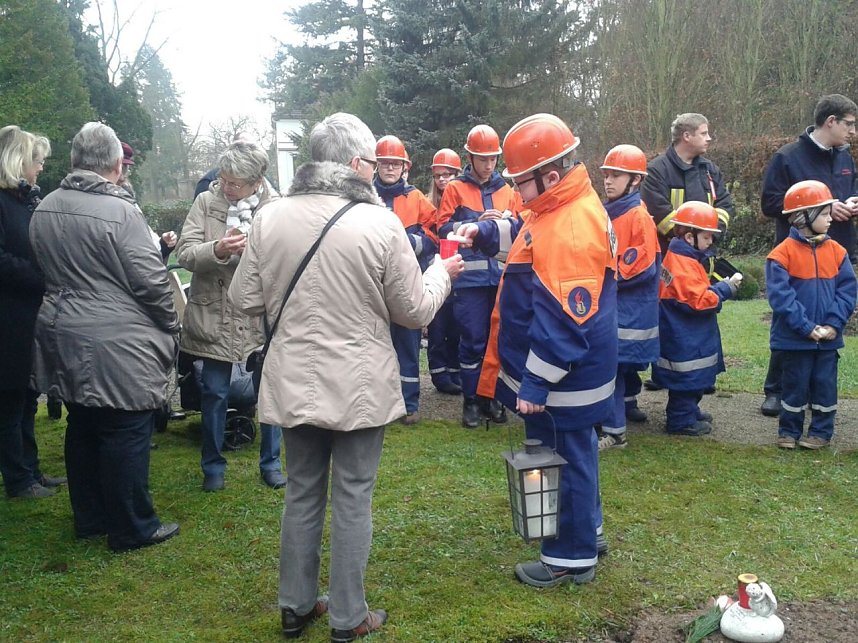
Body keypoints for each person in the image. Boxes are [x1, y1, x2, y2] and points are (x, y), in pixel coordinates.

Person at [228, 112, 463, 640]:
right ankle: (348, 615)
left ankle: (294, 604)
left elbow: (242, 298)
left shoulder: (269, 217)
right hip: (359, 384)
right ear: (357, 163)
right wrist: (441, 274)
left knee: (302, 491)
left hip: (293, 376)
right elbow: (416, 310)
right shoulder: (380, 223)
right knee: (353, 495)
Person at [460, 113, 617, 587]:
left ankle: (570, 558)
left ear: (548, 176)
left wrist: (536, 382)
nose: (515, 192)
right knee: (579, 453)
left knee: (562, 461)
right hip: (579, 374)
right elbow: (530, 232)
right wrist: (487, 234)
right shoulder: (559, 206)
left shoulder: (570, 225)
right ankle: (588, 531)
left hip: (565, 379)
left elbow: (564, 321)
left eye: (519, 182)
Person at [29, 122, 179, 551]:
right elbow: (151, 281)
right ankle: (133, 526)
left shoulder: (47, 205)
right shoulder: (120, 211)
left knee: (83, 423)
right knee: (126, 427)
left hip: (61, 328)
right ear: (116, 165)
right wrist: (169, 321)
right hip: (115, 339)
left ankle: (90, 518)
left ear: (76, 160)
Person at [176, 141, 286, 492]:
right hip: (215, 312)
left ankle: (271, 463)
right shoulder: (206, 203)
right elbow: (185, 253)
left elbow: (289, 255)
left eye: (234, 183)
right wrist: (217, 249)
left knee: (269, 392)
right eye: (223, 179)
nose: (226, 187)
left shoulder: (276, 207)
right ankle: (213, 468)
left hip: (260, 315)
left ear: (257, 181)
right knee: (214, 393)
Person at [759, 94, 858, 417]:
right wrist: (815, 209)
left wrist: (850, 206)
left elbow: (848, 191)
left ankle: (818, 392)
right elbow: (770, 204)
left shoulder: (845, 158)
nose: (852, 132)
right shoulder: (787, 157)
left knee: (831, 314)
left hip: (835, 251)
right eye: (849, 124)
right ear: (831, 121)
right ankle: (776, 390)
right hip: (796, 255)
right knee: (790, 317)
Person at [437, 124, 519, 428]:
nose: (488, 165)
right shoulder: (455, 188)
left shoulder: (507, 190)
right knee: (472, 340)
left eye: (492, 159)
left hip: (500, 278)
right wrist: (475, 222)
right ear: (470, 157)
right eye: (482, 159)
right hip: (470, 281)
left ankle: (492, 397)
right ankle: (472, 400)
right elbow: (442, 228)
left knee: (497, 341)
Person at [0, 125, 66, 499]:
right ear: (17, 161)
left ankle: (32, 470)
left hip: (25, 314)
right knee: (9, 401)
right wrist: (39, 277)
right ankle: (17, 479)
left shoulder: (23, 199)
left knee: (26, 396)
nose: (40, 168)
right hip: (7, 317)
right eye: (36, 161)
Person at [766, 180, 857, 449]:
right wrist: (807, 327)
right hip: (794, 339)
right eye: (825, 213)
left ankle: (821, 433)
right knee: (793, 386)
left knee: (824, 386)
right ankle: (788, 432)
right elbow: (782, 299)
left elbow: (847, 292)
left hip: (827, 340)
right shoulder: (780, 255)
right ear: (804, 216)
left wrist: (832, 324)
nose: (831, 219)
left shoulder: (838, 252)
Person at [651, 202, 741, 436]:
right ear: (690, 237)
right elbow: (699, 301)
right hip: (685, 338)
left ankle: (689, 411)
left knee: (692, 380)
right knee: (687, 380)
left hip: (683, 334)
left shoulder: (680, 258)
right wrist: (725, 289)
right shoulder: (684, 264)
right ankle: (681, 420)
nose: (711, 242)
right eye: (708, 237)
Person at [597, 145, 661, 449]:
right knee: (614, 370)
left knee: (611, 369)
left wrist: (603, 280)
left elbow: (642, 267)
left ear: (634, 180)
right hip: (617, 307)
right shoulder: (612, 212)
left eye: (616, 175)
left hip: (629, 312)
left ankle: (614, 432)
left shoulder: (637, 216)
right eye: (606, 175)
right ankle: (614, 422)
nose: (608, 181)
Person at [372, 135, 437, 425]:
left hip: (407, 280)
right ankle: (379, 403)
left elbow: (434, 235)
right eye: (384, 163)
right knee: (375, 343)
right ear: (376, 165)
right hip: (372, 282)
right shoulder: (363, 196)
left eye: (394, 164)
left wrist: (407, 242)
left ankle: (409, 403)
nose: (389, 168)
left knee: (408, 342)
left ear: (404, 167)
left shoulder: (417, 199)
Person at [640, 113, 733, 252]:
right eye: (703, 133)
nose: (709, 138)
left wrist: (709, 235)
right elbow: (661, 216)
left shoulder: (710, 170)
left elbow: (724, 205)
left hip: (706, 254)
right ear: (687, 136)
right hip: (670, 256)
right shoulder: (657, 171)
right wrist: (693, 239)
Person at [426, 148, 463, 395]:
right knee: (437, 324)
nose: (442, 180)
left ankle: (454, 370)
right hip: (435, 268)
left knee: (456, 325)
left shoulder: (461, 202)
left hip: (459, 271)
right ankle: (440, 374)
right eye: (438, 175)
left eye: (448, 174)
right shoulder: (426, 203)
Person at [119, 141, 177, 262]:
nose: (122, 177)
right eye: (121, 169)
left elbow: (147, 244)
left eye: (125, 170)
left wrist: (163, 244)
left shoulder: (128, 199)